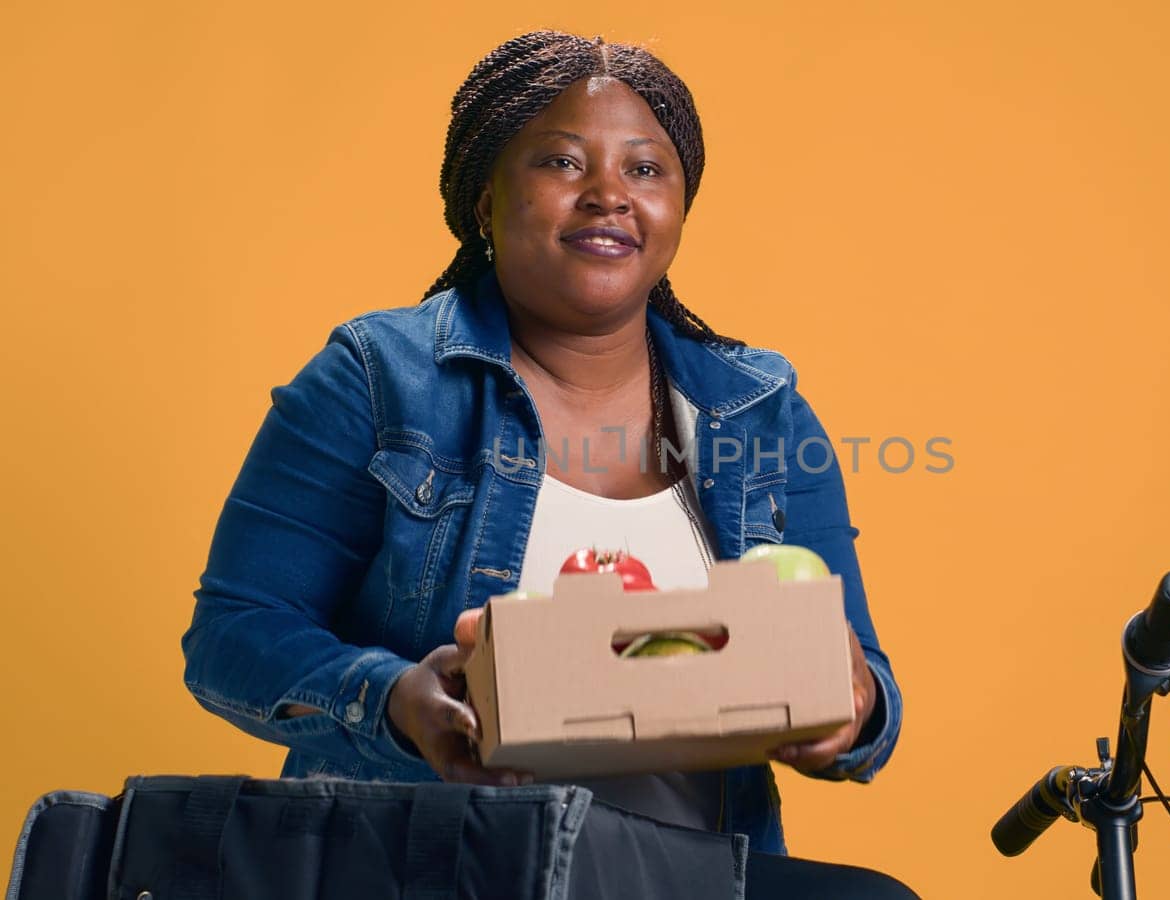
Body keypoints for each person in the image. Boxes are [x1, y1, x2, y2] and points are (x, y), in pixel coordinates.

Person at [183, 30, 911, 897]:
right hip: (436, 863)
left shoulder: (760, 410)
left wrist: (851, 705)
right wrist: (397, 703)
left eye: (646, 170)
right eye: (563, 163)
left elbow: (867, 690)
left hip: (690, 873)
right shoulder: (378, 380)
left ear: (680, 207)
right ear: (485, 202)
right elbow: (232, 636)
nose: (609, 194)